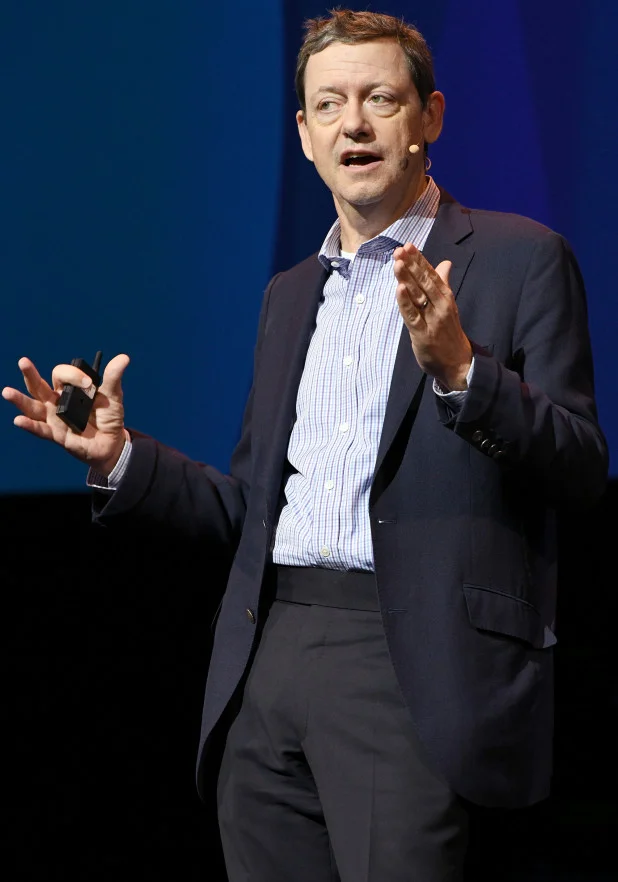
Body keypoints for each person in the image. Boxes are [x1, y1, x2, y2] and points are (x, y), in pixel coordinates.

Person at [2, 8, 609, 881]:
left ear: (428, 118)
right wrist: (119, 457)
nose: (352, 123)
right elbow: (251, 507)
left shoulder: (520, 259)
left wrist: (464, 373)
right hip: (268, 658)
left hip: (413, 665)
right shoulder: (291, 294)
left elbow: (581, 465)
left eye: (378, 100)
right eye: (329, 105)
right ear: (303, 134)